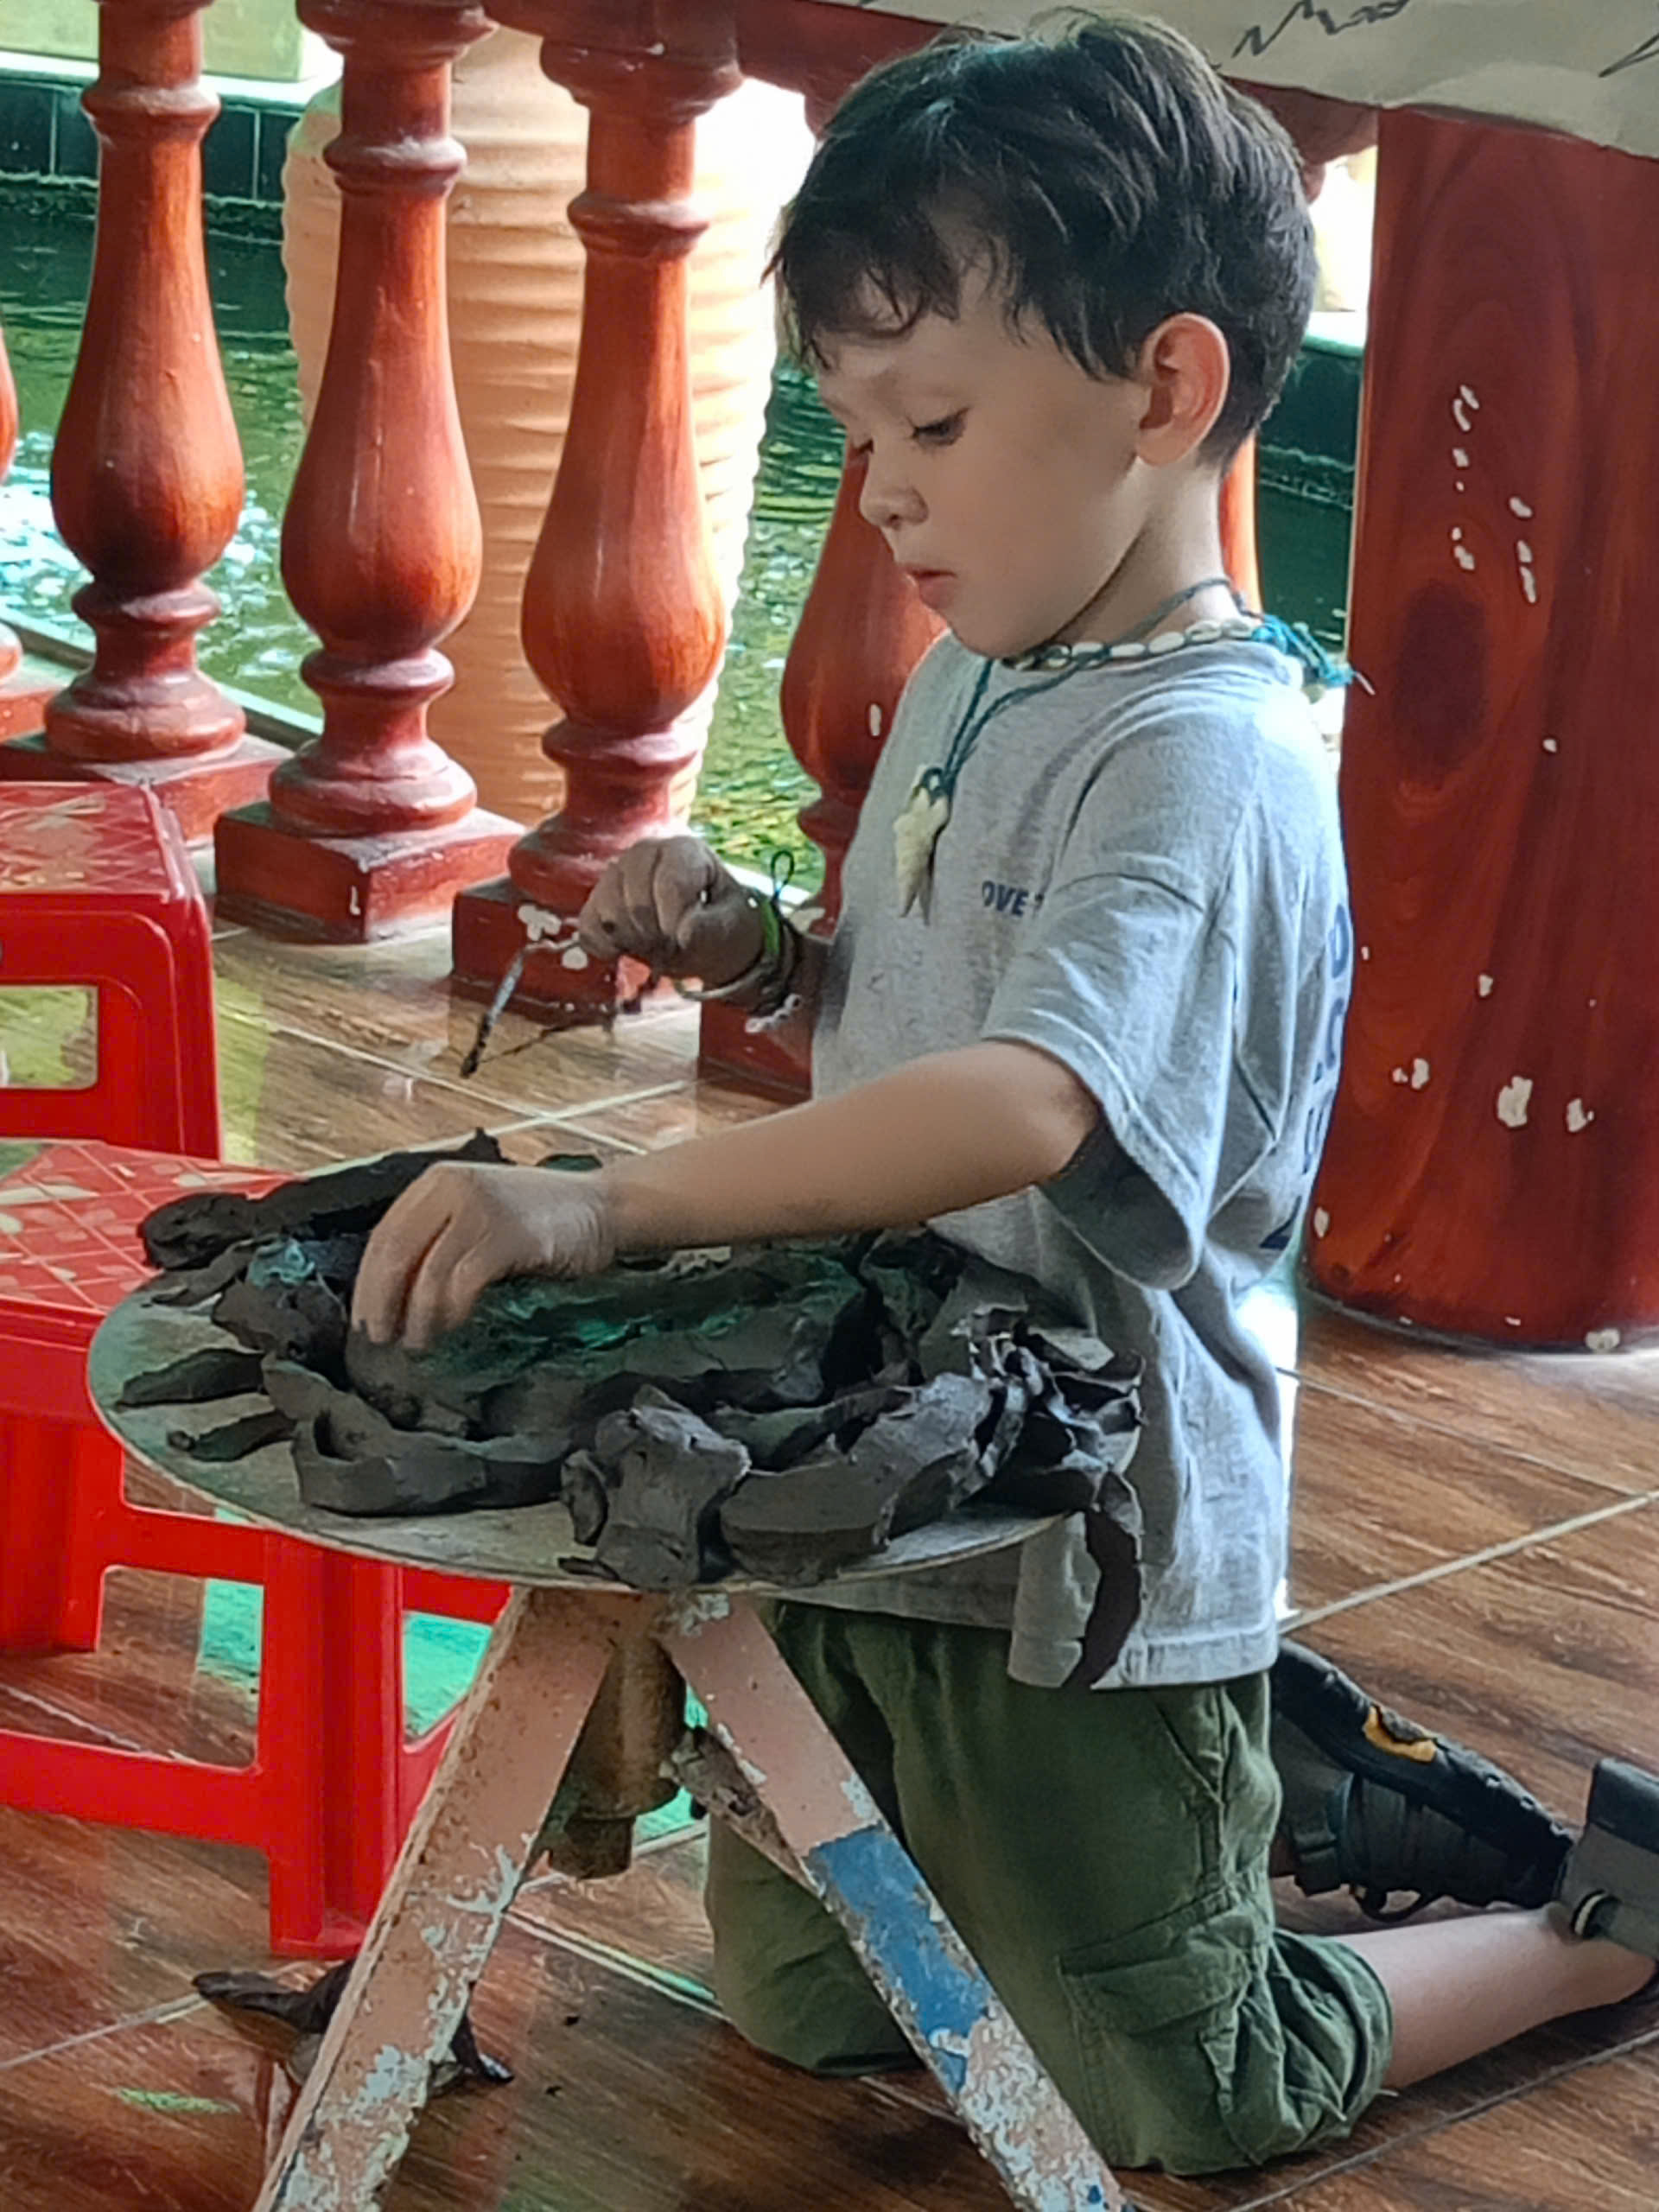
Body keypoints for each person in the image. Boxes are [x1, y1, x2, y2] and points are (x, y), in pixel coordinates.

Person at [353, 16, 1659, 2177]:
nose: (883, 490)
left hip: (1091, 1533)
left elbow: (1037, 1097)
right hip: (884, 1460)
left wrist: (603, 1206)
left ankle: (1584, 1919)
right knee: (814, 1998)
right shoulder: (995, 658)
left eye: (932, 421)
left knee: (1184, 2090)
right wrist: (760, 944)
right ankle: (1273, 1801)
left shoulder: (1205, 760)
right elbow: (926, 1000)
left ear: (1165, 391)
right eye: (857, 427)